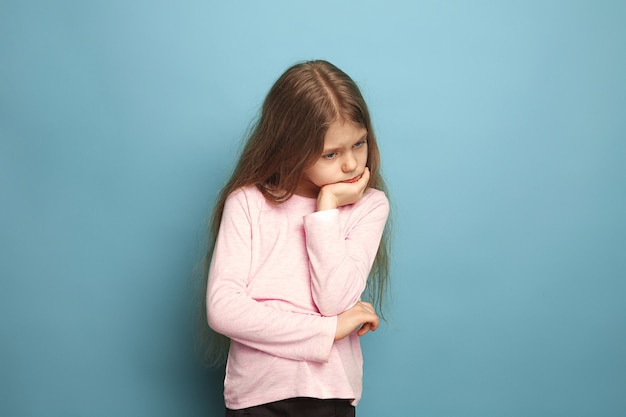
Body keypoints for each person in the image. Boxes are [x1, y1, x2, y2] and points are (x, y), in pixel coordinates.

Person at [203, 59, 391, 417]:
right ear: (291, 147)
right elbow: (224, 309)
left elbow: (333, 298)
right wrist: (328, 330)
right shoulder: (248, 203)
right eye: (331, 153)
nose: (351, 164)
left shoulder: (368, 206)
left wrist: (326, 208)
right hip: (257, 396)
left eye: (359, 143)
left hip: (330, 394)